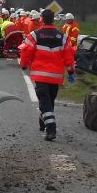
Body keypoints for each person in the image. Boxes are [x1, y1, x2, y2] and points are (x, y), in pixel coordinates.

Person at [19, 8, 76, 142]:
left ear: (41, 20)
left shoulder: (34, 35)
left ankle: (51, 128)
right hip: (55, 77)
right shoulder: (62, 37)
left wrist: (23, 65)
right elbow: (69, 55)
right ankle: (43, 121)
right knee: (48, 101)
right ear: (53, 20)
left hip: (40, 75)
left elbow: (26, 51)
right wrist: (71, 71)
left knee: (45, 102)